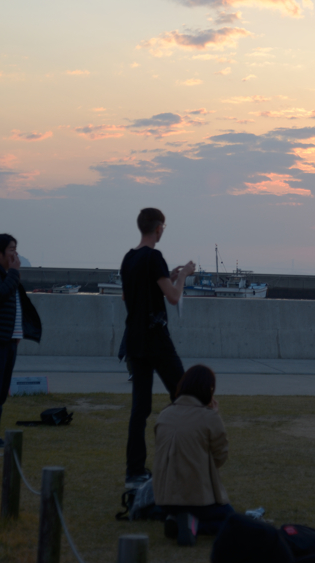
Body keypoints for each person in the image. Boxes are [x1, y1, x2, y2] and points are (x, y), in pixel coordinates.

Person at [122, 207, 196, 489]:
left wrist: (170, 274)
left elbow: (130, 296)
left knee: (139, 408)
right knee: (184, 395)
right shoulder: (154, 257)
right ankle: (188, 458)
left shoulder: (129, 258)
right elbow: (174, 297)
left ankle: (135, 470)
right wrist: (185, 274)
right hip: (156, 337)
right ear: (158, 228)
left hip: (135, 338)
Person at [153, 364, 234, 546]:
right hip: (196, 498)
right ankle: (194, 525)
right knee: (233, 522)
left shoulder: (164, 415)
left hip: (164, 497)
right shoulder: (209, 417)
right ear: (209, 389)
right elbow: (220, 457)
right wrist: (215, 416)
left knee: (183, 510)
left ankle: (175, 519)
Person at [0, 234, 42, 446]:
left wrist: (17, 334)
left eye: (15, 248)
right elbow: (0, 294)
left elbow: (14, 307)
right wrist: (14, 272)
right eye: (11, 249)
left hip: (8, 342)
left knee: (1, 394)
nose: (15, 253)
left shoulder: (6, 274)